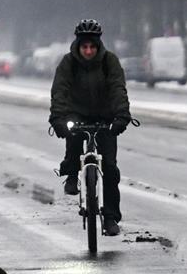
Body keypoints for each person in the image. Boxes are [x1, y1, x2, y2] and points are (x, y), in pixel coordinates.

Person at [48, 19, 132, 236]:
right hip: (77, 114)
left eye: (92, 47)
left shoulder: (109, 62)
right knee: (73, 140)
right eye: (84, 46)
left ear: (98, 46)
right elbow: (60, 91)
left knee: (111, 169)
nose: (88, 51)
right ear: (78, 45)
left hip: (104, 117)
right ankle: (71, 173)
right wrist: (58, 118)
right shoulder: (68, 63)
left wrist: (121, 116)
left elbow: (117, 89)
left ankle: (111, 217)